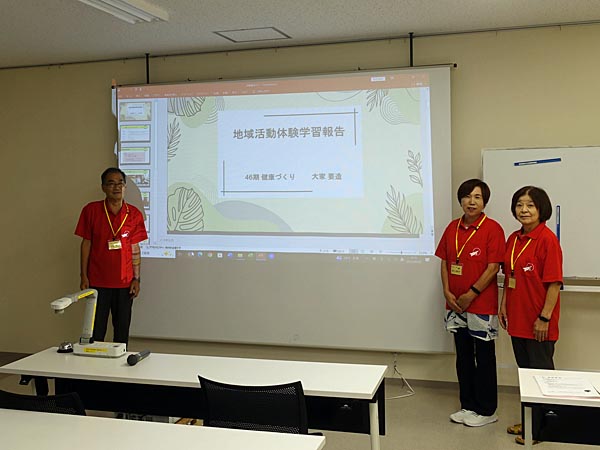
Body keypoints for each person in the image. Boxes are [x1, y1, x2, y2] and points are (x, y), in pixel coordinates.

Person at [435, 179, 505, 427]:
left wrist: (471, 293)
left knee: (484, 357)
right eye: (467, 196)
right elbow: (445, 261)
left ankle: (487, 410)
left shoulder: (492, 229)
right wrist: (446, 291)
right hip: (455, 304)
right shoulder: (452, 227)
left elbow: (493, 267)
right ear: (461, 200)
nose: (471, 201)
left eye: (477, 197)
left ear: (484, 202)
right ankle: (468, 405)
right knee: (463, 356)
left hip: (480, 305)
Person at [499, 186, 562, 445]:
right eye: (519, 205)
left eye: (530, 205)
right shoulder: (514, 239)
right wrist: (504, 305)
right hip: (517, 319)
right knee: (525, 375)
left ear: (541, 209)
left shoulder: (547, 239)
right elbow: (509, 277)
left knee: (540, 377)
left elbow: (554, 284)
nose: (524, 210)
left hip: (538, 323)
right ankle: (529, 421)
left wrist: (544, 318)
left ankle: (541, 429)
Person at [75, 167, 148, 345]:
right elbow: (86, 244)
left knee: (121, 333)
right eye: (111, 183)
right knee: (95, 332)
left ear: (125, 187)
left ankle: (120, 363)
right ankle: (92, 362)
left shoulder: (134, 214)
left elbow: (135, 248)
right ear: (103, 187)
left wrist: (137, 279)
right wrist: (83, 275)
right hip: (97, 282)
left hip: (125, 284)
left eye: (120, 183)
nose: (116, 187)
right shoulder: (91, 210)